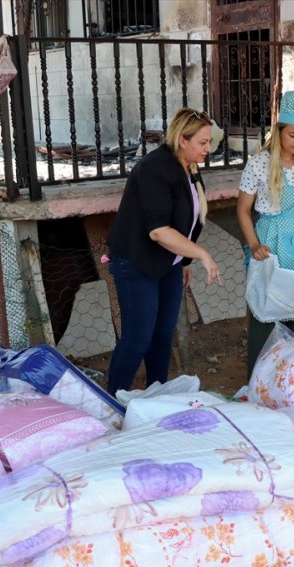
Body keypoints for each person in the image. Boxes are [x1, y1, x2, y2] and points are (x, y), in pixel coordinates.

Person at [105, 107, 222, 394]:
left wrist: (184, 261)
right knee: (137, 338)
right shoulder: (154, 168)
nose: (208, 149)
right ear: (182, 139)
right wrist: (201, 254)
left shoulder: (188, 167)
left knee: (162, 335)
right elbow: (158, 230)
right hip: (137, 262)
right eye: (202, 142)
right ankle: (113, 400)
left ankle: (155, 396)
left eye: (209, 142)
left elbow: (189, 218)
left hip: (168, 263)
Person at [237, 90, 294, 377]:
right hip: (271, 241)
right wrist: (254, 245)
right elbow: (243, 211)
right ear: (278, 132)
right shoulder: (259, 164)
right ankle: (261, 378)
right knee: (269, 304)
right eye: (292, 135)